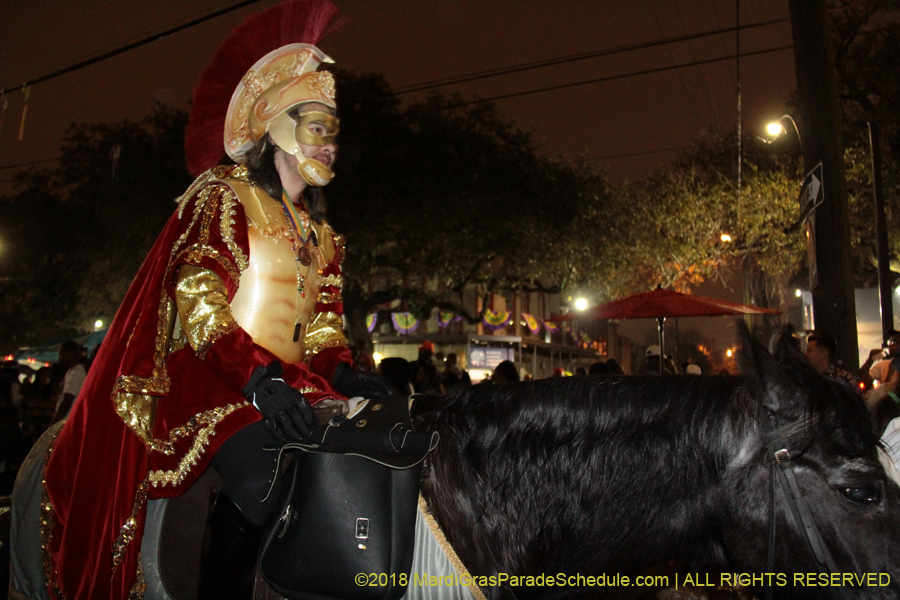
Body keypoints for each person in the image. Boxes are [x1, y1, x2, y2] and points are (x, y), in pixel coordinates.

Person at [36, 2, 390, 598]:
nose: (330, 145)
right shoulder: (224, 197)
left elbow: (324, 326)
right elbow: (199, 299)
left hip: (286, 382)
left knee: (368, 456)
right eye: (317, 128)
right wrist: (258, 380)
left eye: (334, 132)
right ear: (278, 125)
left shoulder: (323, 236)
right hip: (215, 376)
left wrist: (351, 375)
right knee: (262, 474)